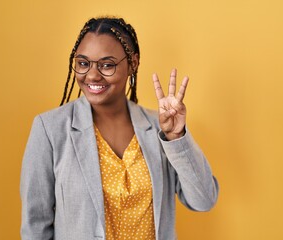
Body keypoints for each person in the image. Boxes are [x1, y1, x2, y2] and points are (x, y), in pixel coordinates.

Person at [20, 16, 219, 240]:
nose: (93, 75)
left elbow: (204, 200)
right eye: (83, 63)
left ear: (132, 63)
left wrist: (176, 138)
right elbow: (35, 225)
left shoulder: (160, 129)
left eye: (107, 65)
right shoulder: (50, 130)